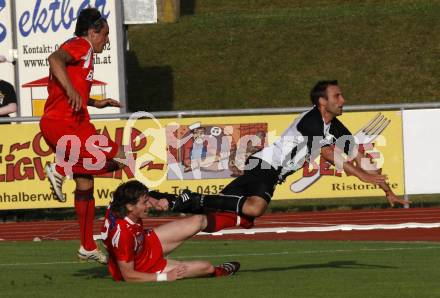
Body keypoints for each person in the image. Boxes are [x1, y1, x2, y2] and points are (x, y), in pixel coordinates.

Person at [170, 80, 409, 231]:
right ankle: (195, 200)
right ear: (322, 101)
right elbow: (328, 153)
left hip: (270, 172)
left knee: (228, 214)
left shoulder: (334, 126)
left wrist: (388, 191)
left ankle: (181, 203)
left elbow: (359, 155)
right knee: (255, 208)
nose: (343, 100)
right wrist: (363, 177)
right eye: (338, 96)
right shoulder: (311, 120)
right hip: (265, 165)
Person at [40, 8, 125, 264]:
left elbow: (70, 89)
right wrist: (72, 92)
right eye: (105, 35)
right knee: (122, 157)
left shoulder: (84, 52)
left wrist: (94, 102)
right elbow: (54, 59)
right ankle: (60, 167)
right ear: (92, 31)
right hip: (68, 125)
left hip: (62, 124)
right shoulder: (81, 44)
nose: (107, 41)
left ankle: (87, 246)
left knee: (86, 181)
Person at [101, 180, 240, 282]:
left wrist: (154, 201)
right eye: (144, 203)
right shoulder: (122, 235)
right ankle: (219, 271)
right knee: (207, 267)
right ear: (130, 206)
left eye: (147, 200)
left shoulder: (120, 201)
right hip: (143, 267)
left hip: (146, 243)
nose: (148, 205)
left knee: (198, 220)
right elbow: (128, 276)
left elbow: (138, 194)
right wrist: (165, 277)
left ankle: (241, 218)